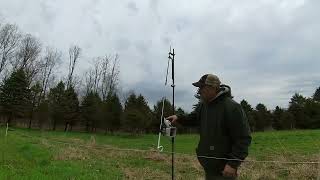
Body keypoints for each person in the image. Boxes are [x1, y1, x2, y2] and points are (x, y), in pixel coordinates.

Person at [166, 74, 251, 180]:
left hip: (225, 169)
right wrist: (178, 118)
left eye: (202, 87)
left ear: (213, 88)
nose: (199, 91)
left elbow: (243, 138)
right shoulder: (204, 105)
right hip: (208, 165)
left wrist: (233, 164)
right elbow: (193, 118)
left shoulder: (232, 107)